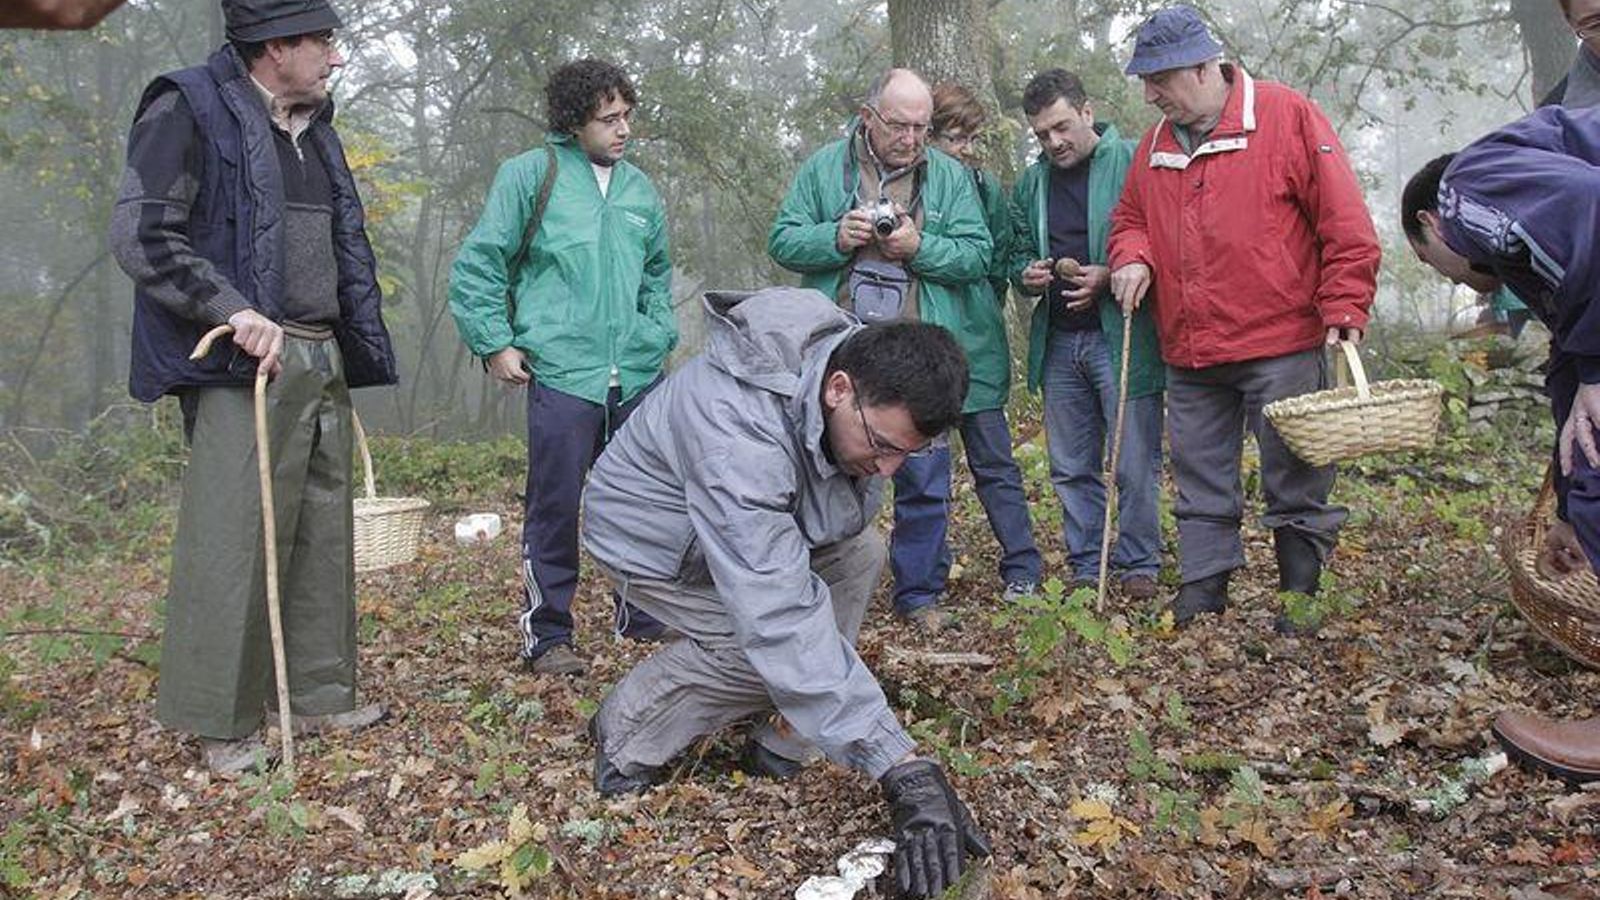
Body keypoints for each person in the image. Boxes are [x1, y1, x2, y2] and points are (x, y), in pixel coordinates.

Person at [581, 286, 990, 898]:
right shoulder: (735, 430)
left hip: (752, 521)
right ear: (839, 390)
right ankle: (626, 731)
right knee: (758, 648)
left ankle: (786, 736)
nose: (886, 471)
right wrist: (899, 765)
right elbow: (774, 613)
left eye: (907, 454)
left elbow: (828, 522)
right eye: (880, 446)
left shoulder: (852, 365)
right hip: (650, 539)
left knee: (862, 556)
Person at [109, 0, 397, 774]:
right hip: (240, 362)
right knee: (234, 541)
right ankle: (220, 722)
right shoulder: (188, 105)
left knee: (322, 534)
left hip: (318, 350)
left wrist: (350, 340)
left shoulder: (317, 128)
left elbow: (342, 245)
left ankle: (320, 695)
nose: (334, 60)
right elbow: (140, 233)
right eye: (324, 43)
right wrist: (230, 310)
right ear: (276, 47)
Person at [1107, 5, 1381, 630]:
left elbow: (1344, 219)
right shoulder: (1152, 146)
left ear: (1205, 67)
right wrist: (1133, 257)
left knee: (1296, 470)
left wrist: (1345, 303)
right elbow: (1130, 222)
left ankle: (1299, 597)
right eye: (1145, 81)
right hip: (1191, 348)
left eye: (1161, 79)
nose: (1150, 95)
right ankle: (1205, 590)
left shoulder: (1286, 116)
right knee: (1200, 474)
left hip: (1281, 339)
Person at [449, 58, 677, 676]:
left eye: (628, 115)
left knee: (643, 501)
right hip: (562, 374)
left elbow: (657, 275)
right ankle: (548, 635)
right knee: (555, 505)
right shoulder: (531, 175)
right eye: (608, 119)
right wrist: (495, 342)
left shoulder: (639, 190)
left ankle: (644, 618)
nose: (623, 129)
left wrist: (656, 336)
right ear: (575, 121)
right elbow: (480, 263)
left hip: (633, 375)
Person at [1401, 109, 1600, 784]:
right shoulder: (1534, 249)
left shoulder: (1467, 187)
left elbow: (1592, 204)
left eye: (1435, 267)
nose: (1456, 282)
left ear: (1432, 226)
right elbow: (1569, 375)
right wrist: (1571, 510)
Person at [768, 68, 996, 629]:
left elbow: (977, 255)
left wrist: (920, 246)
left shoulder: (946, 176)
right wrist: (833, 238)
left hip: (918, 345)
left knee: (922, 468)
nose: (912, 138)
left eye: (922, 127)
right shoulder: (826, 166)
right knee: (820, 468)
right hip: (839, 348)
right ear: (869, 117)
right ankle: (816, 585)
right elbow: (782, 239)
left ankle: (918, 594)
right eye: (900, 125)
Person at [1009, 68, 1164, 600]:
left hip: (1120, 335)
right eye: (1042, 134)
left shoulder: (1130, 161)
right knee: (1070, 465)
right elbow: (1015, 247)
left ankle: (1139, 563)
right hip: (1059, 340)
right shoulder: (1033, 182)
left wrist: (1109, 272)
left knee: (1133, 458)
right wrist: (1025, 273)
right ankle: (1084, 564)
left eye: (1061, 127)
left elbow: (1160, 236)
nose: (1054, 142)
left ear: (1087, 112)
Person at [888, 81, 1042, 610]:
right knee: (922, 467)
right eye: (953, 137)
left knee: (994, 462)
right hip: (920, 352)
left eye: (969, 138)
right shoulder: (903, 185)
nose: (963, 149)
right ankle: (925, 575)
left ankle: (1023, 565)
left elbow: (994, 260)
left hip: (976, 345)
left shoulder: (984, 187)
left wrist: (975, 304)